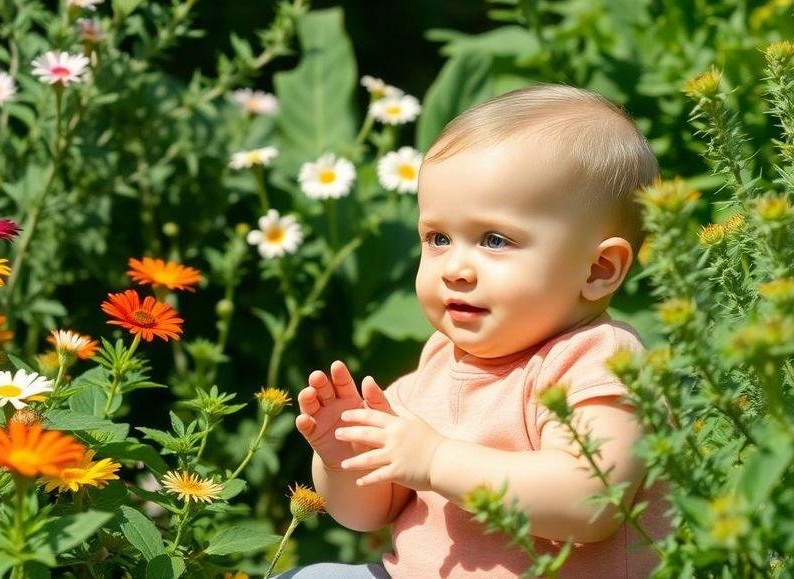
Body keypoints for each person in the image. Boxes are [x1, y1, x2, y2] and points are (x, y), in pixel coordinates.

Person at [285, 85, 670, 578]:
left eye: (494, 240)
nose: (455, 268)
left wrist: (438, 460)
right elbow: (366, 515)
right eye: (438, 238)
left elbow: (592, 499)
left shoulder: (597, 359)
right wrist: (346, 461)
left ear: (598, 269)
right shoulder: (441, 358)